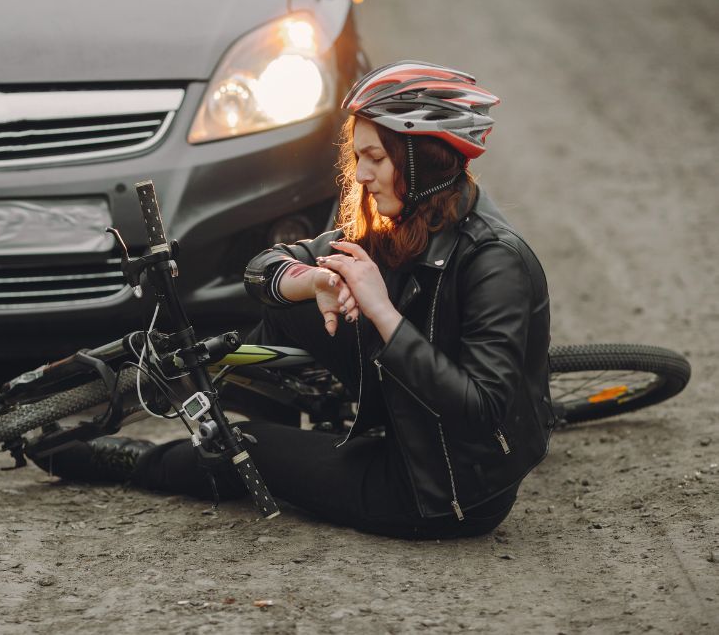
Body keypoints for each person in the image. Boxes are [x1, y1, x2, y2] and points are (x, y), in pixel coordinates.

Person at [34, 61, 554, 540]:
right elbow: (264, 267)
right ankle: (283, 405)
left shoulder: (495, 262)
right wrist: (315, 283)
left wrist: (381, 311)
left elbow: (481, 412)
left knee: (244, 447)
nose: (363, 175)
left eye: (376, 158)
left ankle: (121, 460)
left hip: (437, 490)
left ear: (424, 161)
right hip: (403, 410)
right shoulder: (406, 224)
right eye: (358, 158)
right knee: (300, 294)